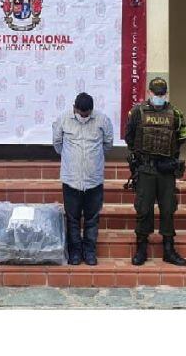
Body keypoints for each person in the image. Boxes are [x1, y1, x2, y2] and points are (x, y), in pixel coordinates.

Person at [125, 77, 186, 266]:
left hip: (166, 170)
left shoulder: (175, 113)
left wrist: (168, 157)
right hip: (145, 168)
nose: (159, 97)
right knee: (144, 209)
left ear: (166, 94)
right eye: (156, 94)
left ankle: (168, 249)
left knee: (168, 209)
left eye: (162, 94)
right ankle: (141, 249)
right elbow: (129, 137)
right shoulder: (137, 112)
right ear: (149, 93)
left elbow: (182, 136)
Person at [52, 92, 114, 265]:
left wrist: (93, 160)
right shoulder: (63, 119)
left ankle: (89, 252)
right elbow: (57, 143)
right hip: (71, 179)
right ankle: (75, 252)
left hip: (94, 180)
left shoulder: (102, 120)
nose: (84, 117)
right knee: (72, 218)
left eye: (87, 115)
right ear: (74, 108)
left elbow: (107, 144)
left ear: (92, 111)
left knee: (92, 218)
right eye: (81, 114)